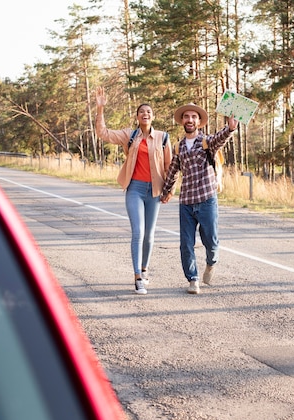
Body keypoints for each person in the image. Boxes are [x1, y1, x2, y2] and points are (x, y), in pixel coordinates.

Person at [95, 86, 172, 294]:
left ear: (153, 116)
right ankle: (137, 276)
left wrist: (169, 189)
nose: (145, 114)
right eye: (141, 112)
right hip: (135, 189)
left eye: (148, 112)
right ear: (137, 117)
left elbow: (169, 166)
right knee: (138, 232)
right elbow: (103, 133)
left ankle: (145, 269)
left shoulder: (163, 137)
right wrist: (100, 109)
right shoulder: (130, 135)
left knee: (149, 235)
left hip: (155, 191)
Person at [160, 103, 238, 294]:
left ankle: (211, 263)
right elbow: (172, 171)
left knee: (210, 241)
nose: (190, 120)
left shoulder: (206, 142)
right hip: (186, 201)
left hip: (206, 199)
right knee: (186, 243)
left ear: (199, 122)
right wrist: (165, 191)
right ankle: (192, 279)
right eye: (186, 117)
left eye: (193, 117)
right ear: (182, 121)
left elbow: (220, 139)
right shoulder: (178, 146)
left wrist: (230, 128)